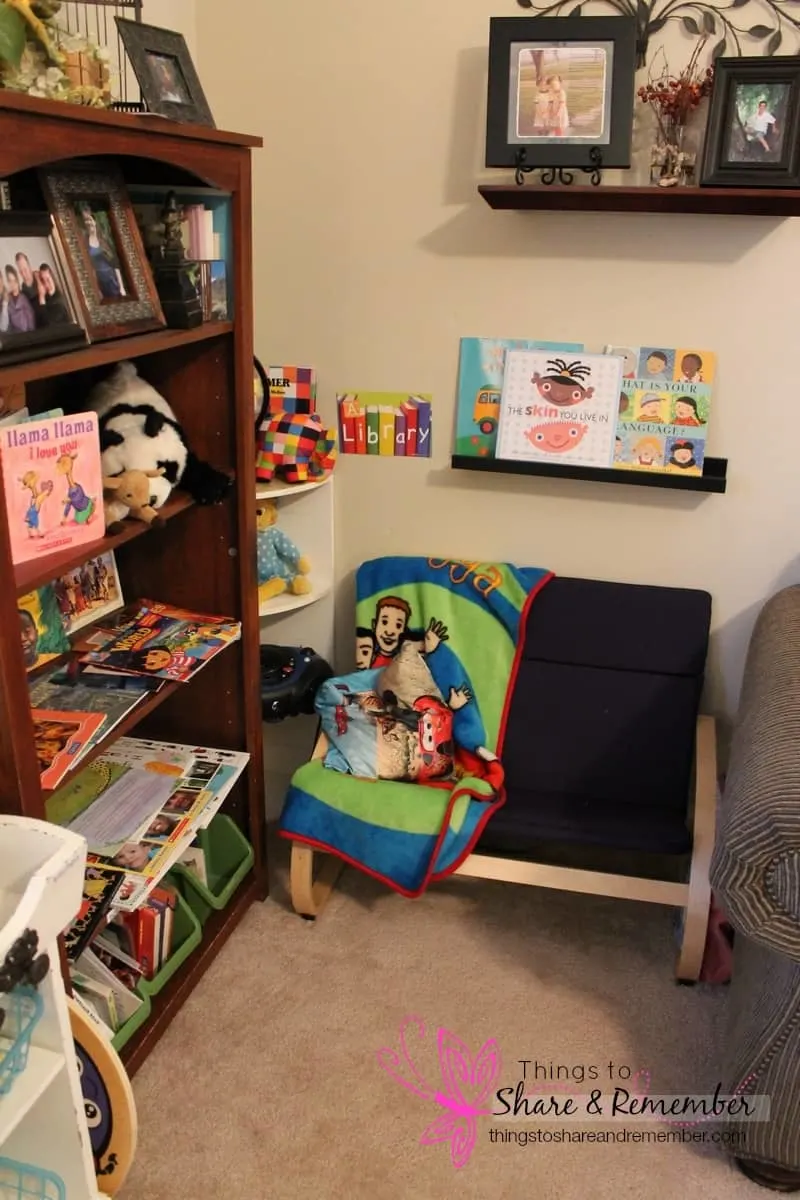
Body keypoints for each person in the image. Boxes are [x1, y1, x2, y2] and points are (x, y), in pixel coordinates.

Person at [76, 203, 125, 300]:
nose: (88, 223)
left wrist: (122, 287)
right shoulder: (84, 243)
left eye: (90, 220)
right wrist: (96, 289)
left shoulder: (104, 240)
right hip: (100, 283)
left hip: (112, 280)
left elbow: (115, 265)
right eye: (86, 221)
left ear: (94, 221)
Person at [4, 265, 36, 332]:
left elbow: (30, 318)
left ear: (17, 280)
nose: (13, 284)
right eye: (10, 281)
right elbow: (7, 323)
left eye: (14, 280)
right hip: (15, 337)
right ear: (8, 282)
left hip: (27, 333)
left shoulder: (24, 297)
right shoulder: (7, 300)